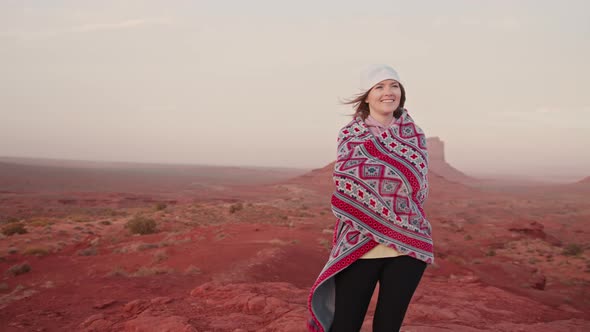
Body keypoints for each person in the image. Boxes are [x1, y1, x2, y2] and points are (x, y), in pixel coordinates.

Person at [307, 64, 434, 332]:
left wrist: (385, 199)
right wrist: (385, 203)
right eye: (379, 87)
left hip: (406, 245)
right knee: (345, 325)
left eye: (394, 86)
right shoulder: (350, 135)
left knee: (388, 327)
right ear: (366, 96)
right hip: (360, 244)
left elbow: (418, 189)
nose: (388, 92)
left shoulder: (416, 136)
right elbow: (344, 184)